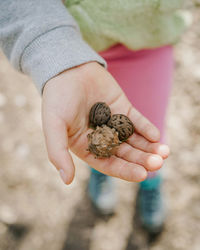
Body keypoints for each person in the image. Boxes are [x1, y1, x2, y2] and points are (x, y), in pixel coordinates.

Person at [0, 0, 189, 233]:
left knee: (149, 130)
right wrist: (45, 42)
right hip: (75, 41)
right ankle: (100, 171)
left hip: (150, 41)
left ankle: (151, 181)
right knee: (87, 122)